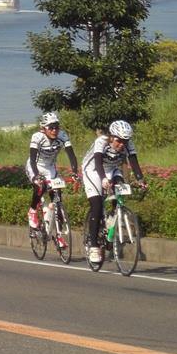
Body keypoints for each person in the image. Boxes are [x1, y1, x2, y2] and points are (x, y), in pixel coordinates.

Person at [81, 120, 147, 265]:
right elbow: (98, 162)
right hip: (92, 171)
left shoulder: (127, 145)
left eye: (125, 141)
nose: (121, 144)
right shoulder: (101, 142)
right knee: (97, 205)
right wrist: (103, 179)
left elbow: (134, 162)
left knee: (119, 194)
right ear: (111, 137)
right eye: (118, 140)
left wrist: (141, 180)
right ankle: (93, 246)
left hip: (112, 169)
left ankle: (112, 219)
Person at [25, 112, 79, 231]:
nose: (54, 130)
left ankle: (59, 234)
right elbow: (33, 159)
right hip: (35, 166)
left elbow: (72, 155)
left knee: (57, 199)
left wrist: (75, 173)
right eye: (51, 127)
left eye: (57, 127)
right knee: (40, 187)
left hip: (50, 168)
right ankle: (32, 211)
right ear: (43, 129)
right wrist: (36, 176)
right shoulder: (37, 137)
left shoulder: (62, 136)